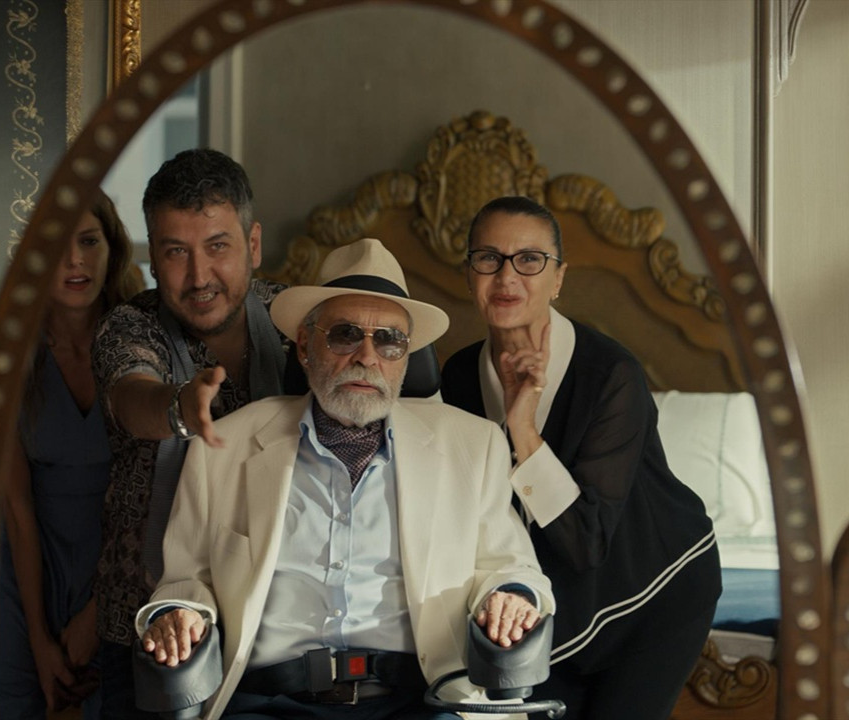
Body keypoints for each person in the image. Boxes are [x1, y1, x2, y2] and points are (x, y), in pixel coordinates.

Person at [137, 238, 554, 720]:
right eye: (345, 335)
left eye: (390, 340)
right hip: (272, 702)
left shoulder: (472, 445)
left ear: (405, 358)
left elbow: (510, 566)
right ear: (304, 347)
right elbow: (185, 580)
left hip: (422, 699)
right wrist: (181, 614)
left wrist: (511, 596)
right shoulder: (223, 445)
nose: (367, 357)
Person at [440, 196, 722, 719]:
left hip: (656, 594)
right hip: (556, 600)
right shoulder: (456, 377)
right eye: (489, 258)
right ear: (469, 272)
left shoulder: (611, 375)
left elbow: (586, 540)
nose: (507, 276)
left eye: (530, 259)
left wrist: (523, 429)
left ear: (558, 279)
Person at [91, 149, 292, 718]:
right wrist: (179, 408)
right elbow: (132, 396)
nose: (199, 276)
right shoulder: (130, 325)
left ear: (253, 244)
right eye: (176, 251)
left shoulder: (300, 322)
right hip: (147, 641)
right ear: (153, 258)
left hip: (271, 639)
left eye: (217, 246)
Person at [0, 188, 145, 719]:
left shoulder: (144, 345)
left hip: (128, 572)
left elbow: (161, 499)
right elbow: (17, 511)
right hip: (29, 572)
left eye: (88, 241)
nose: (74, 260)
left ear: (112, 248)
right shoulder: (9, 356)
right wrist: (39, 638)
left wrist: (100, 612)